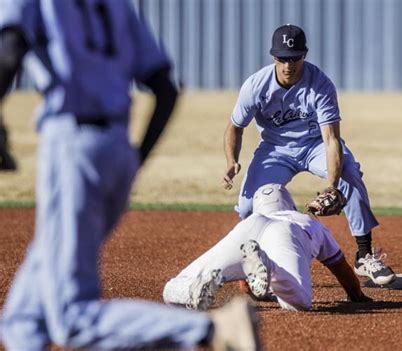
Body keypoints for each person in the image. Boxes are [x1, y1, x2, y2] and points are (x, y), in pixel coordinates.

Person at [0, 1, 260, 350]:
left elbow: (10, 49)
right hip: (117, 149)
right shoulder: (115, 5)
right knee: (22, 319)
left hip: (72, 145)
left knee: (70, 317)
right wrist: (133, 162)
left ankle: (209, 329)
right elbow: (165, 88)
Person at [221, 24, 395, 286]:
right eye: (282, 58)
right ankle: (255, 263)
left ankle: (364, 255)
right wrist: (232, 161)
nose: (288, 65)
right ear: (273, 57)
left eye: (294, 58)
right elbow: (235, 126)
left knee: (349, 174)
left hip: (315, 145)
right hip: (275, 149)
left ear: (304, 55)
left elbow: (331, 139)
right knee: (247, 206)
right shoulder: (256, 86)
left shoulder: (320, 84)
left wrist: (332, 187)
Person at [163, 184, 372, 312]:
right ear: (290, 205)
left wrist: (258, 292)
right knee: (299, 302)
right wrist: (357, 296)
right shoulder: (305, 220)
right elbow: (341, 269)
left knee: (174, 285)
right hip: (287, 232)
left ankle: (190, 291)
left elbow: (247, 288)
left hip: (246, 230)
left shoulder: (250, 218)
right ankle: (272, 266)